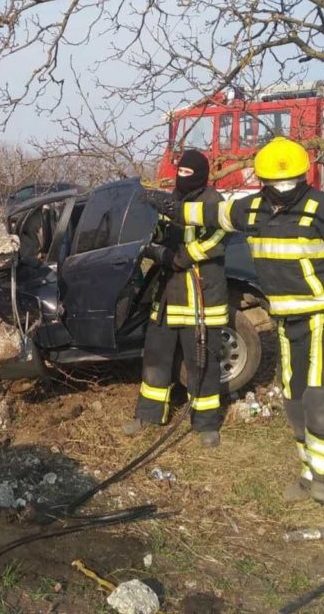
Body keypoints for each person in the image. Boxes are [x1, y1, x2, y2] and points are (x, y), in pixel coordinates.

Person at [145, 137, 324, 505]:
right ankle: (307, 472)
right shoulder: (252, 209)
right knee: (296, 401)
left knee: (319, 399)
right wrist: (171, 207)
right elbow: (210, 214)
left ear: (304, 177)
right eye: (275, 183)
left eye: (290, 182)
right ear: (263, 181)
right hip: (289, 322)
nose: (283, 190)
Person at [124, 150, 229, 448]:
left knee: (202, 363)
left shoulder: (213, 202)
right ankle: (148, 414)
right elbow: (157, 232)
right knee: (156, 356)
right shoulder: (170, 200)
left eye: (188, 173)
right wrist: (151, 243)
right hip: (167, 296)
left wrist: (183, 257)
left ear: (200, 174)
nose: (182, 178)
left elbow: (218, 239)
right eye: (179, 172)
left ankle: (206, 424)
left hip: (201, 299)